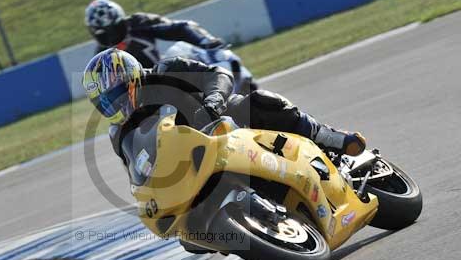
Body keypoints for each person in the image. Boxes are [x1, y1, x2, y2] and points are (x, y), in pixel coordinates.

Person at [82, 48, 366, 165]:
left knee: (257, 102)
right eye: (104, 101)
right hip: (194, 160)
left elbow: (217, 75)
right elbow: (136, 172)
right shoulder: (120, 133)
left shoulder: (167, 69)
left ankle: (327, 136)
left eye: (115, 93)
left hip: (225, 122)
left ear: (130, 77)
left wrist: (214, 100)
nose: (114, 103)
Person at [85, 0, 224, 68]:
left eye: (113, 30)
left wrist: (206, 41)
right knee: (116, 125)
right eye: (104, 33)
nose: (111, 37)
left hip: (167, 74)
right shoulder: (101, 56)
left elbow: (179, 28)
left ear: (120, 20)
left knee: (180, 50)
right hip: (141, 97)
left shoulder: (138, 23)